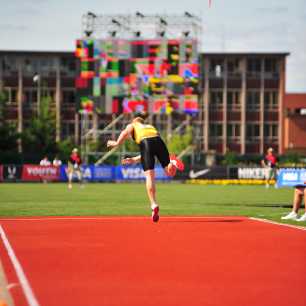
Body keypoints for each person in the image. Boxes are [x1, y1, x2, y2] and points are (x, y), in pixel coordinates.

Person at [107, 114, 184, 222]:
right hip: (158, 141)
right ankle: (172, 163)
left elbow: (126, 133)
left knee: (149, 176)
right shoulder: (150, 127)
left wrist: (116, 143)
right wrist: (134, 159)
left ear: (135, 121)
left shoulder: (133, 124)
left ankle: (153, 204)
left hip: (146, 142)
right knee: (170, 173)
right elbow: (150, 150)